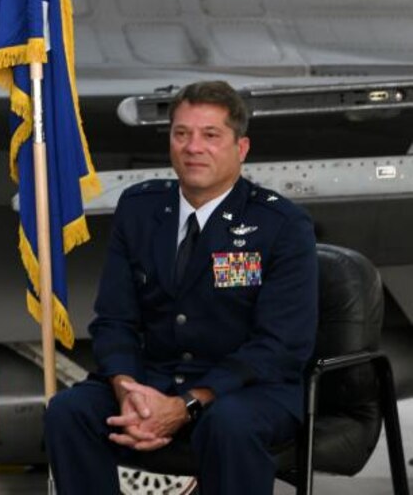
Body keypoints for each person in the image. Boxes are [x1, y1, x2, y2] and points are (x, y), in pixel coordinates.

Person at [44, 80, 318, 494]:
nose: (193, 147)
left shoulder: (280, 225)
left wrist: (187, 403)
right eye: (181, 134)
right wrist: (127, 390)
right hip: (154, 380)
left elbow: (281, 346)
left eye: (211, 135)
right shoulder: (140, 209)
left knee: (228, 425)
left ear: (240, 149)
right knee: (70, 412)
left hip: (250, 389)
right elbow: (114, 320)